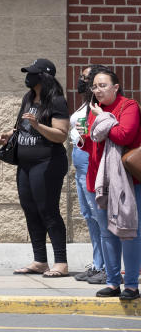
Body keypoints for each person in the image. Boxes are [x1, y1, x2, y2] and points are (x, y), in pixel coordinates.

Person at [0, 59, 70, 278]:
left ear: (44, 77)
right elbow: (21, 125)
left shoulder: (56, 101)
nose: (28, 77)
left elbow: (61, 135)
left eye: (33, 73)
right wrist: (9, 134)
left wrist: (38, 125)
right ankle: (39, 260)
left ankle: (61, 262)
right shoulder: (28, 98)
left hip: (47, 163)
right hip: (25, 164)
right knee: (31, 210)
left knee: (48, 211)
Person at [84, 66, 141, 300]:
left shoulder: (129, 106)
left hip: (128, 180)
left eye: (103, 85)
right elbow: (91, 141)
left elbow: (124, 135)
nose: (97, 90)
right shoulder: (95, 109)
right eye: (94, 86)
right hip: (99, 179)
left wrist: (103, 119)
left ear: (116, 87)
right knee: (107, 234)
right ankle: (112, 281)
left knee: (129, 232)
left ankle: (131, 286)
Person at [69, 66, 106, 283]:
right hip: (79, 160)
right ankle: (97, 263)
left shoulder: (100, 105)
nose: (82, 81)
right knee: (88, 216)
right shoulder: (86, 103)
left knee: (98, 216)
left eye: (86, 78)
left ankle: (105, 267)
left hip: (91, 161)